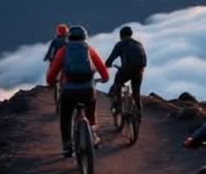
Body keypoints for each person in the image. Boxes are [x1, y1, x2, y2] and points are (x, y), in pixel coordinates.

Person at [47, 25, 110, 157]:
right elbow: (103, 70)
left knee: (66, 116)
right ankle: (92, 134)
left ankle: (67, 145)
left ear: (68, 38)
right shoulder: (90, 50)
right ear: (85, 37)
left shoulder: (63, 51)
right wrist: (104, 79)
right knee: (90, 111)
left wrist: (52, 82)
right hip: (88, 90)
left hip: (69, 92)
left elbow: (52, 74)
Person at [106, 25, 147, 118]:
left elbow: (111, 58)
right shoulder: (139, 44)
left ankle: (119, 105)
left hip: (126, 70)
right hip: (139, 71)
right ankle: (139, 112)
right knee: (136, 92)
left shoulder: (120, 44)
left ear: (121, 35)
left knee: (117, 81)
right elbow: (144, 60)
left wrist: (107, 65)